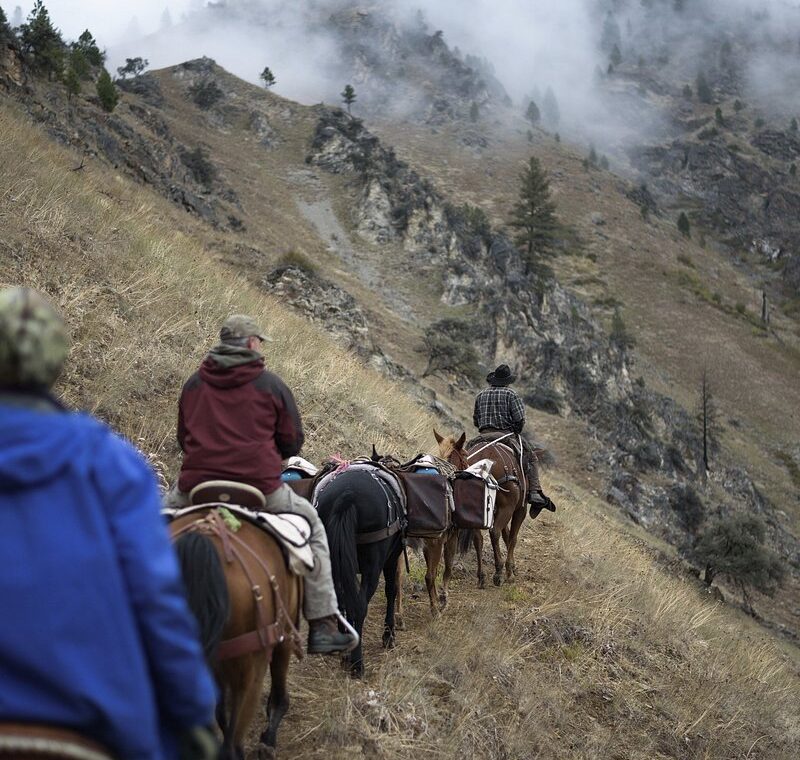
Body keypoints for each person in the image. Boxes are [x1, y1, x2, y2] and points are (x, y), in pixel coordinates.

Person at [0, 287, 218, 760]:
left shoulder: (194, 384)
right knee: (306, 522)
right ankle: (324, 615)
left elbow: (185, 434)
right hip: (84, 722)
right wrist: (193, 711)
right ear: (55, 361)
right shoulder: (109, 463)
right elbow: (155, 600)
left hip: (196, 480)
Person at [165, 314, 357, 655]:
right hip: (259, 490)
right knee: (313, 527)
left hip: (196, 487)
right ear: (251, 343)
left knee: (145, 529)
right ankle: (323, 622)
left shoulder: (194, 383)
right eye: (260, 341)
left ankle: (119, 613)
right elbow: (291, 443)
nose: (261, 347)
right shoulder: (271, 386)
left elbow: (183, 438)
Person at [473, 364, 556, 518]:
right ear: (507, 381)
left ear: (493, 379)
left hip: (483, 436)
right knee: (531, 456)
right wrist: (515, 429)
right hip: (506, 436)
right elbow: (519, 420)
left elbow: (476, 421)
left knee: (464, 454)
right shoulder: (512, 395)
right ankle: (534, 492)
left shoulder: (481, 395)